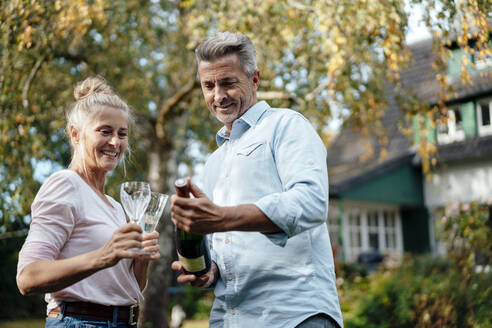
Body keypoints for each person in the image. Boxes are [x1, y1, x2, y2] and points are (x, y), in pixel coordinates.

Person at [170, 32, 343, 328]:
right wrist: (210, 273)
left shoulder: (286, 125)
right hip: (231, 319)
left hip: (295, 316)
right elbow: (225, 248)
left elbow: (311, 203)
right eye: (208, 86)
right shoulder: (213, 163)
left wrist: (222, 218)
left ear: (254, 79)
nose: (217, 96)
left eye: (227, 83)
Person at [16, 76, 160, 328]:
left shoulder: (115, 206)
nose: (115, 142)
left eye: (122, 134)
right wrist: (105, 255)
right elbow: (28, 278)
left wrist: (141, 259)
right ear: (75, 134)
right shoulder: (65, 185)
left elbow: (130, 288)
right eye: (105, 131)